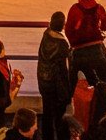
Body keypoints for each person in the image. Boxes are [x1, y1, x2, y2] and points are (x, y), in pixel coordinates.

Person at [64, 0, 106, 85]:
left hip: (79, 52)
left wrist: (74, 43)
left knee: (73, 81)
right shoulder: (99, 8)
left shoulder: (74, 8)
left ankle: (73, 98)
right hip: (96, 50)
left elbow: (68, 30)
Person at [37, 10, 72, 140]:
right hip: (57, 85)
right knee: (60, 116)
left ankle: (47, 137)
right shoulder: (62, 43)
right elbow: (64, 69)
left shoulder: (45, 35)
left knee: (47, 114)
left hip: (44, 80)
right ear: (63, 25)